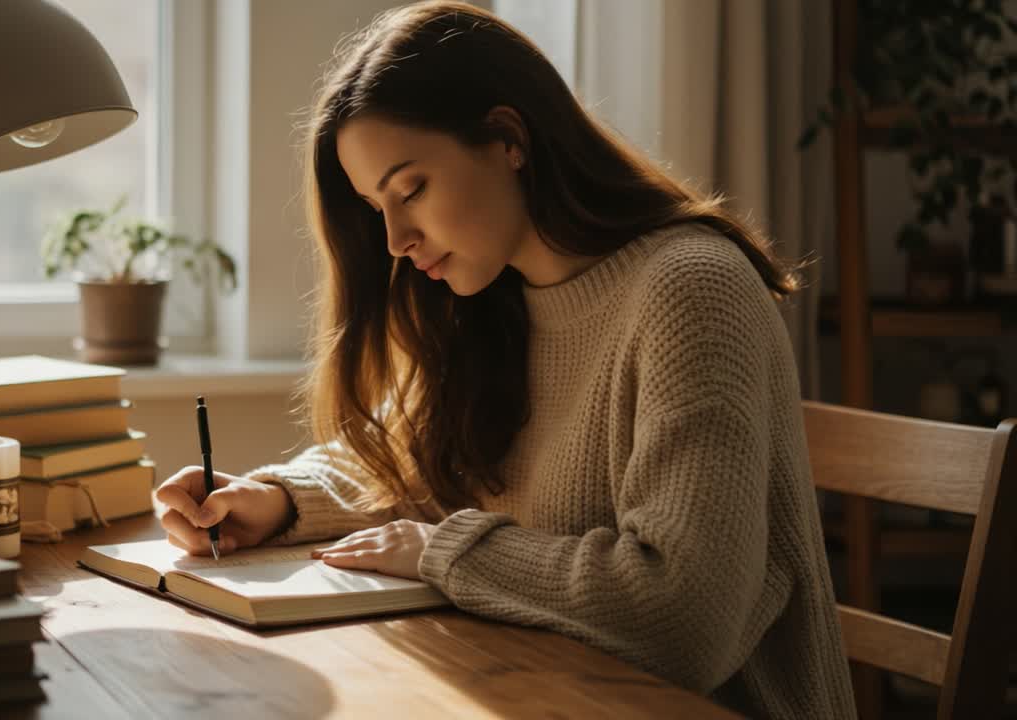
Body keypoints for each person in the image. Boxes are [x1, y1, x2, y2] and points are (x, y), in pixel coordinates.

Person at [154, 2, 856, 718]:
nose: (395, 238)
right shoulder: (495, 299)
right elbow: (406, 462)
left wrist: (443, 550)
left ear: (507, 138)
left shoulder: (690, 291)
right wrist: (274, 500)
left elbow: (681, 613)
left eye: (411, 189)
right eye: (376, 207)